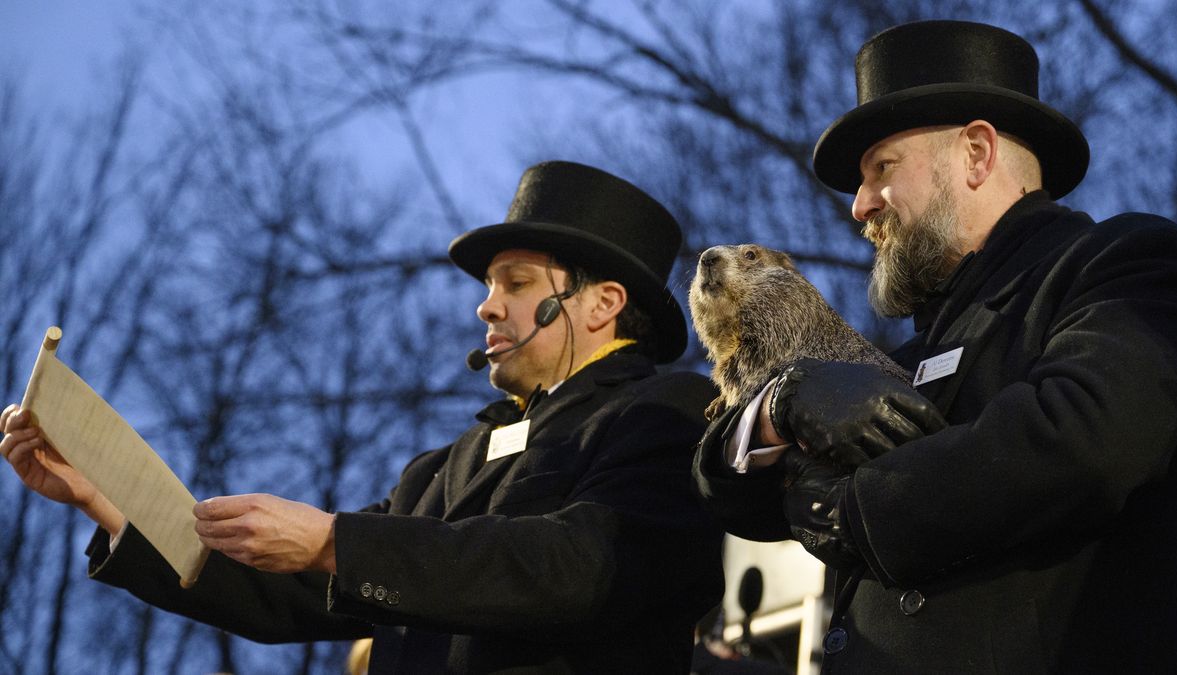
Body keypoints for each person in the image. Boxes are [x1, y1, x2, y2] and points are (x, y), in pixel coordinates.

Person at [1, 160, 725, 673]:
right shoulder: (439, 473)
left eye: (517, 282)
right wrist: (108, 499)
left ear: (602, 303)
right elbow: (290, 584)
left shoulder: (667, 413)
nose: (486, 306)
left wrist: (334, 541)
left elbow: (576, 565)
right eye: (488, 285)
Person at [693, 20, 1177, 674]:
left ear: (976, 154)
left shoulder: (1121, 264)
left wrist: (862, 508)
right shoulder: (906, 357)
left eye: (882, 169)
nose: (859, 206)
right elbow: (729, 491)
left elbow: (1085, 439)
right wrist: (777, 407)